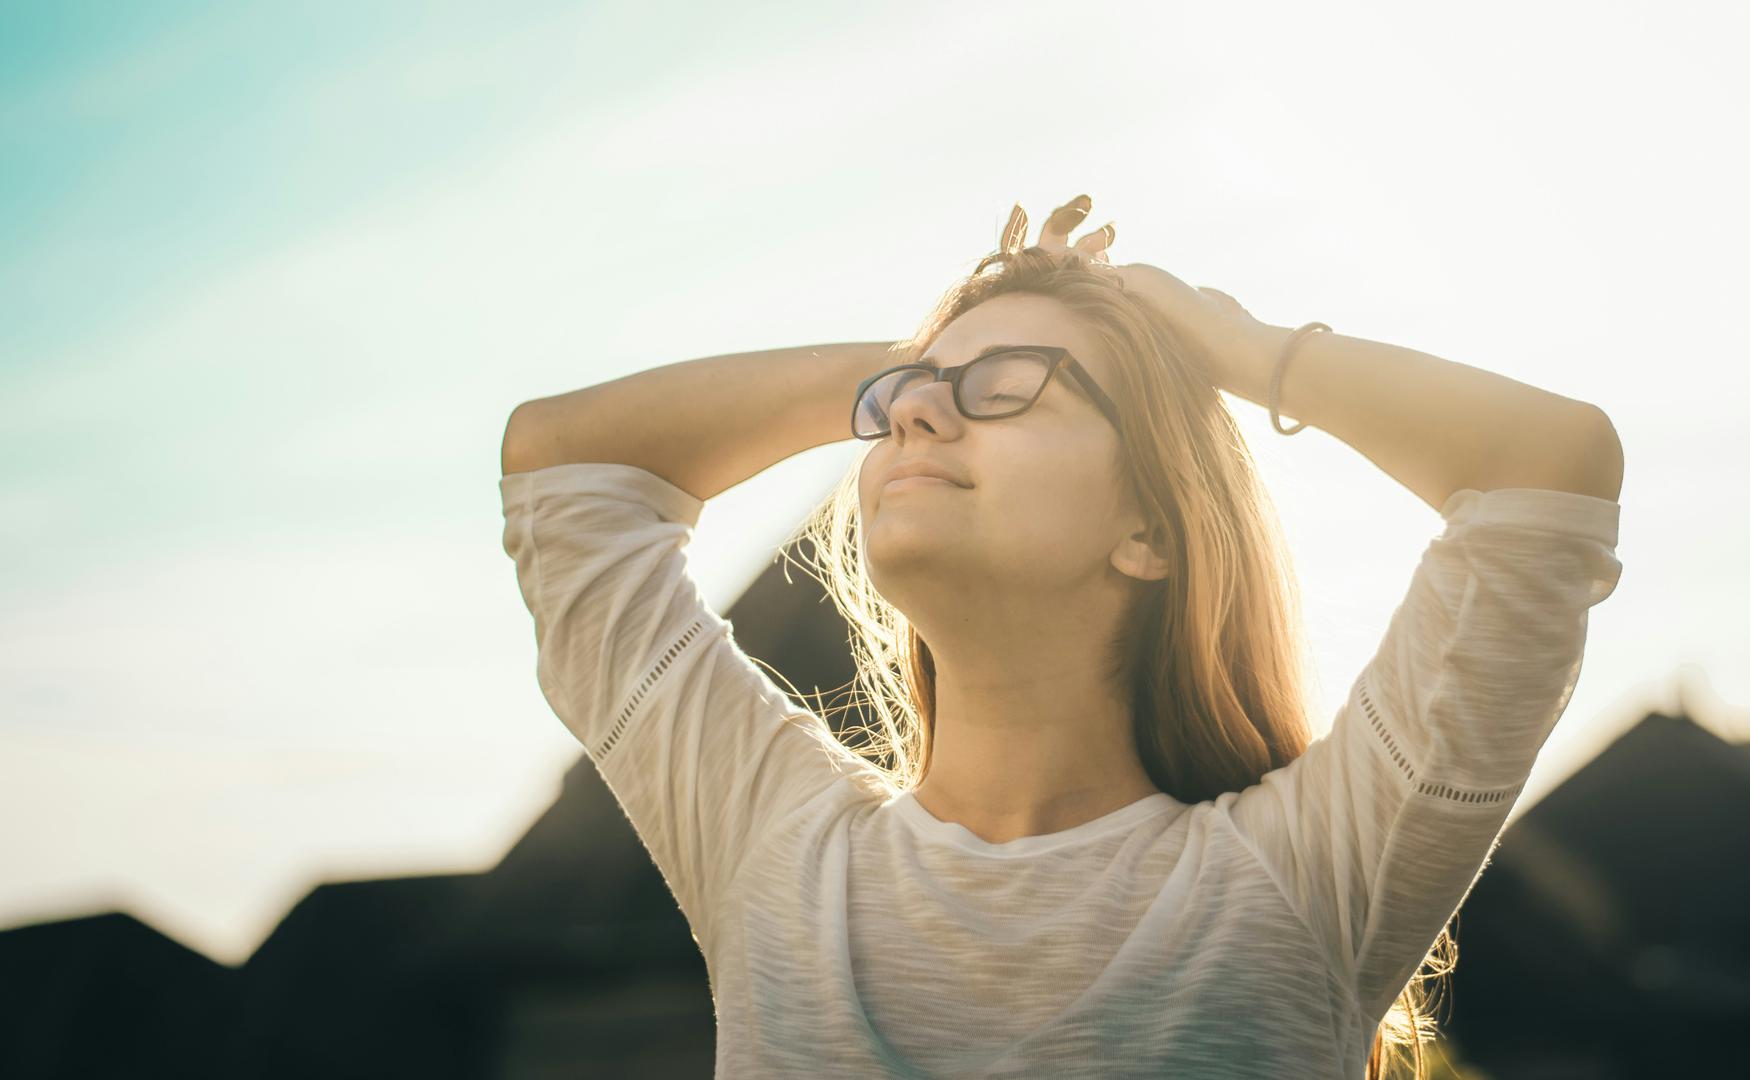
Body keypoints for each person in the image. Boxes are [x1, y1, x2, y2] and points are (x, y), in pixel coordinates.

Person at [498, 195, 1624, 1078]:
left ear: (1149, 528)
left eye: (1007, 389)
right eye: (902, 402)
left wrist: (1231, 347)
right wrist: (916, 357)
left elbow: (1546, 468)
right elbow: (562, 463)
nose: (917, 414)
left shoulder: (1307, 873)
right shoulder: (774, 849)